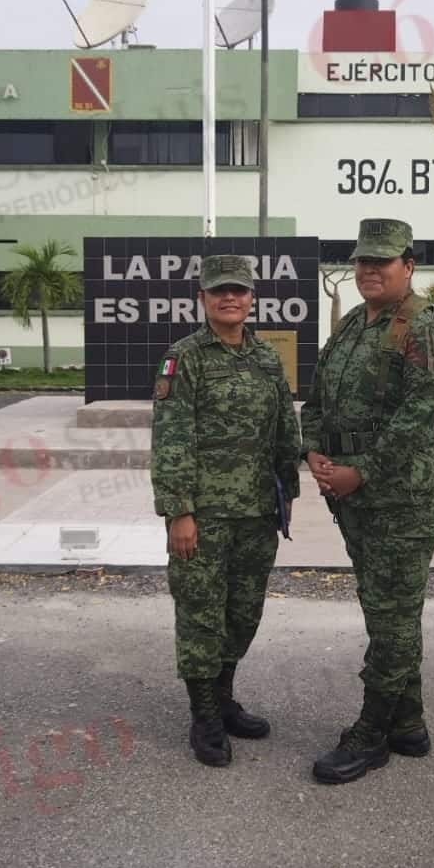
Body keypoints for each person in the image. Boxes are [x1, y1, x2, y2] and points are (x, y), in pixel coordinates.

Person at [301, 219, 434, 784]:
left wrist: (359, 472)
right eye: (363, 260)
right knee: (383, 606)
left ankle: (371, 735)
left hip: (401, 497)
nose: (369, 270)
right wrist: (313, 450)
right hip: (353, 495)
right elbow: (316, 397)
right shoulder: (349, 327)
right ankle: (408, 723)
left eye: (382, 262)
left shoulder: (421, 331)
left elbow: (417, 420)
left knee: (391, 617)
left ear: (408, 267)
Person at [151, 253, 303, 767]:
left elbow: (285, 428)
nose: (230, 298)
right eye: (219, 291)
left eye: (238, 290)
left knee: (242, 612)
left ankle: (224, 695)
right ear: (203, 300)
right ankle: (204, 716)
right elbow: (172, 439)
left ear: (251, 298)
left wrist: (288, 495)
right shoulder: (185, 358)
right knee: (200, 614)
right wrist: (179, 513)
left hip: (257, 513)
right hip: (206, 516)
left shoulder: (265, 358)